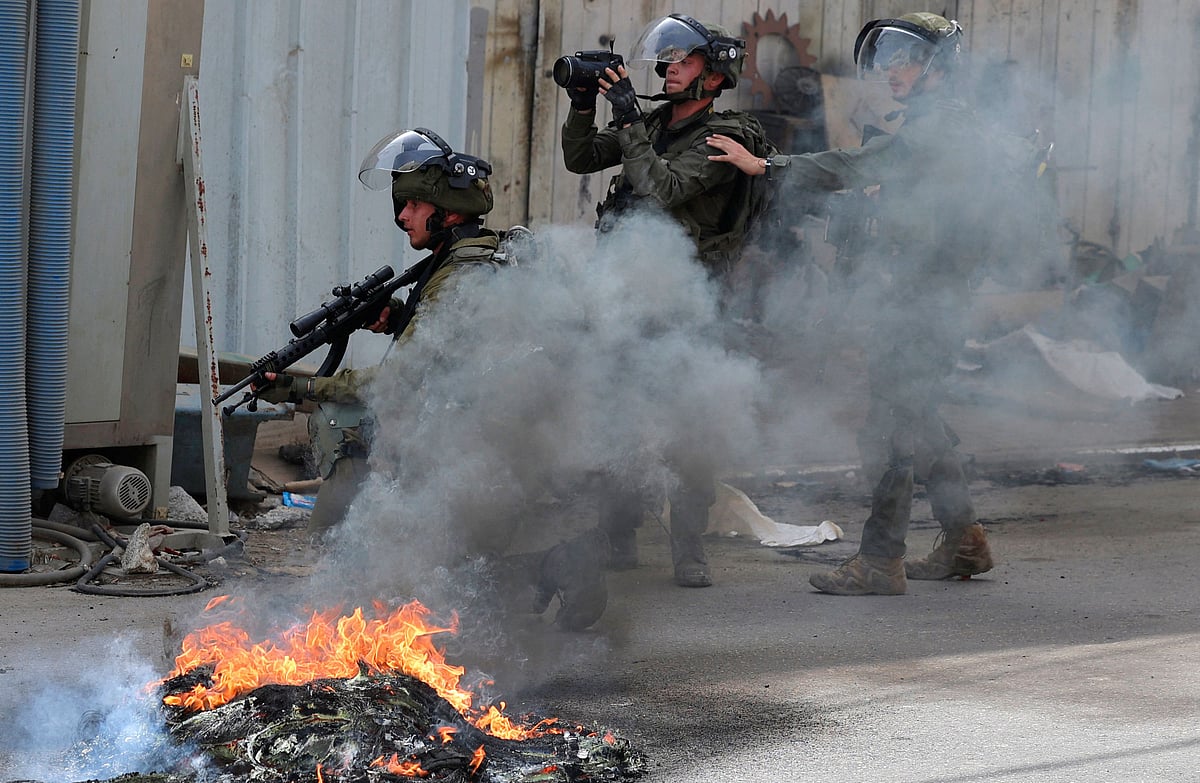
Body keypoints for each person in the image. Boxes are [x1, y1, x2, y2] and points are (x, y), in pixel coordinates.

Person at [257, 127, 607, 628]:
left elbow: (395, 383)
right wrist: (400, 319)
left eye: (412, 204)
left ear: (444, 208)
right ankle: (552, 564)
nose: (401, 216)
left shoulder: (459, 275)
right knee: (448, 581)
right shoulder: (482, 256)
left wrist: (297, 387)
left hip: (462, 454)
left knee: (340, 416)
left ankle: (347, 568)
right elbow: (463, 347)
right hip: (490, 448)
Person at [707, 12, 994, 595]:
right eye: (886, 61)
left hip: (923, 303)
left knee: (889, 430)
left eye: (905, 61)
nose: (891, 72)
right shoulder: (943, 125)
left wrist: (767, 165)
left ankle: (879, 561)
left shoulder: (938, 130)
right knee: (917, 417)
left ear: (940, 69)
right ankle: (964, 537)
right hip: (926, 298)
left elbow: (857, 166)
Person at [559, 14, 767, 588]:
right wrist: (583, 104)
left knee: (686, 428)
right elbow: (581, 158)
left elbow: (664, 188)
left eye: (686, 60)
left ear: (716, 74)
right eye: (668, 59)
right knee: (618, 420)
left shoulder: (728, 137)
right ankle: (618, 532)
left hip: (691, 304)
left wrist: (627, 118)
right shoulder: (655, 123)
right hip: (627, 296)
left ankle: (689, 545)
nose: (669, 67)